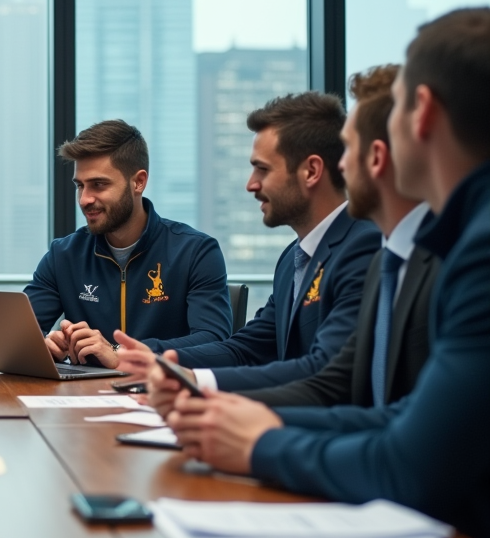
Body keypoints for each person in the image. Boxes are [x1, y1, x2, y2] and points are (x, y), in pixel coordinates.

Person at [151, 8, 490, 538]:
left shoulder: (463, 250)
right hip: (417, 519)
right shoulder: (409, 250)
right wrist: (226, 411)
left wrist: (259, 440)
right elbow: (393, 413)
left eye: (353, 147)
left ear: (421, 114)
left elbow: (401, 448)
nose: (346, 161)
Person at [117, 92, 381, 392]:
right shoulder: (293, 259)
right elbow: (245, 350)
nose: (251, 184)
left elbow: (324, 370)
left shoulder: (364, 247)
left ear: (311, 171)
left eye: (263, 169)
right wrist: (155, 359)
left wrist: (197, 381)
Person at [236, 65, 437, 409]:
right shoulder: (300, 258)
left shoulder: (371, 249)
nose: (341, 165)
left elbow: (329, 379)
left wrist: (236, 417)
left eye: (350, 149)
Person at [8, 120, 231, 370]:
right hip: (86, 393)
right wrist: (41, 346)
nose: (84, 199)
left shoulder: (196, 251)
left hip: (163, 389)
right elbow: (2, 341)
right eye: (80, 186)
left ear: (138, 182)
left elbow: (215, 341)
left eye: (98, 184)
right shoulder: (64, 255)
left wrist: (121, 354)